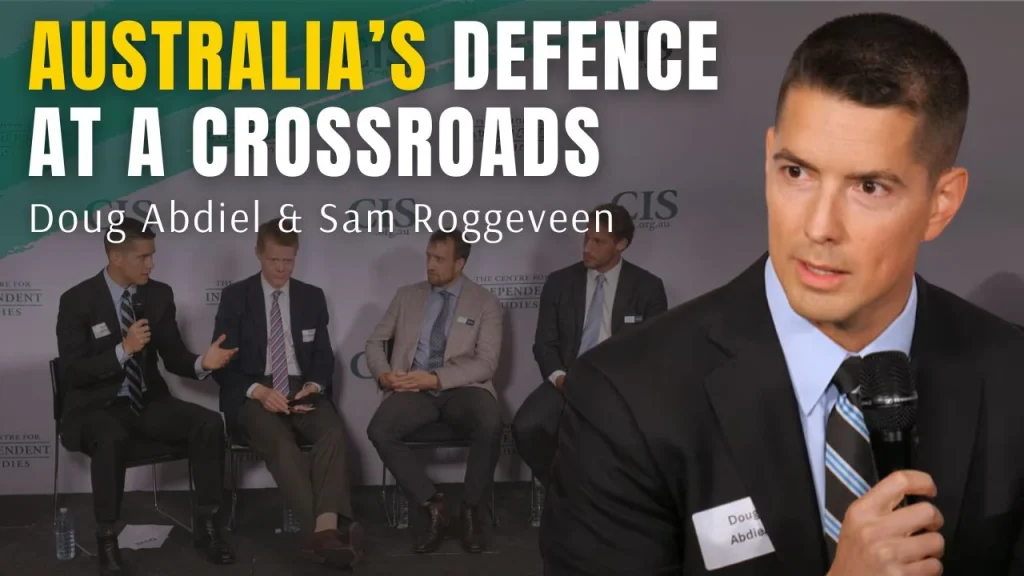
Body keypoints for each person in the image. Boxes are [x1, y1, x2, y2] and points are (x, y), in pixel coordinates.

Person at [540, 13, 1024, 576]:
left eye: (869, 186)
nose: (818, 227)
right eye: (798, 172)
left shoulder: (1011, 376)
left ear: (941, 203)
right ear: (770, 159)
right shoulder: (626, 396)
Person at [55, 217, 237, 575]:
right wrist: (123, 350)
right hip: (94, 407)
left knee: (208, 424)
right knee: (109, 436)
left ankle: (207, 526)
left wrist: (203, 362)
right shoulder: (77, 300)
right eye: (143, 257)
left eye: (152, 255)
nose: (151, 264)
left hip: (147, 402)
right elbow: (73, 371)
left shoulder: (158, 295)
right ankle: (107, 537)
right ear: (116, 257)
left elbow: (173, 355)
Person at [211, 219, 363, 568]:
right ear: (258, 254)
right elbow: (221, 364)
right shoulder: (236, 297)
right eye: (274, 260)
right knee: (282, 445)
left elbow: (323, 355)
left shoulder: (312, 296)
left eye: (288, 261)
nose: (281, 268)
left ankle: (324, 533)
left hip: (301, 387)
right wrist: (259, 392)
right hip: (254, 392)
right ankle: (329, 534)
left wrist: (315, 385)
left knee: (332, 433)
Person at [365, 229, 504, 554]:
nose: (430, 264)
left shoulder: (485, 302)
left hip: (463, 387)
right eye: (429, 257)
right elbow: (374, 342)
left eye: (439, 259)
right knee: (380, 430)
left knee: (490, 423)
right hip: (412, 388)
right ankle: (433, 506)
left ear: (460, 263)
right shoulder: (406, 296)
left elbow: (486, 364)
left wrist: (436, 378)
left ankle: (471, 511)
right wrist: (384, 374)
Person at [512, 203, 667, 486]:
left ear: (621, 244)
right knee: (527, 426)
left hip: (620, 387)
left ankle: (613, 497)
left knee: (631, 437)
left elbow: (652, 353)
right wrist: (561, 380)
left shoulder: (647, 287)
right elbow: (544, 344)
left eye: (598, 241)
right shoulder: (559, 283)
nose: (587, 248)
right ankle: (564, 490)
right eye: (586, 238)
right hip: (568, 380)